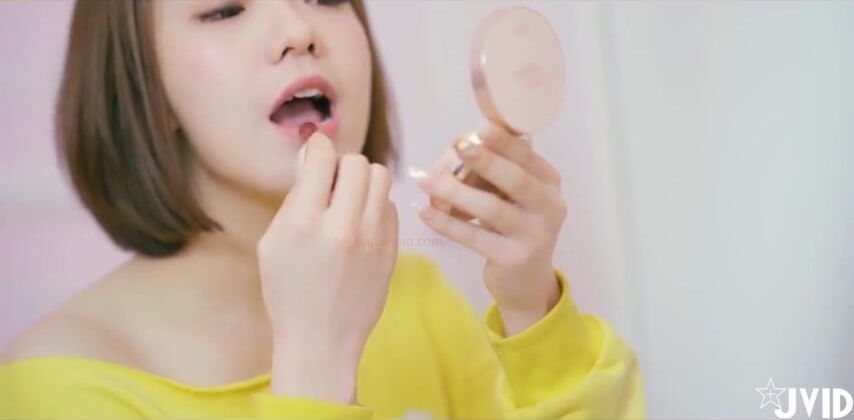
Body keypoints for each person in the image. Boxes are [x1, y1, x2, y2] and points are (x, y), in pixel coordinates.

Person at [0, 1, 646, 418]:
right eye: (225, 9)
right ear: (143, 85)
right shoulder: (56, 389)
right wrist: (317, 361)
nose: (298, 30)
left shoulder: (415, 299)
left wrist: (530, 304)